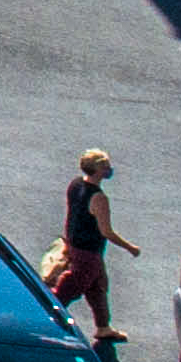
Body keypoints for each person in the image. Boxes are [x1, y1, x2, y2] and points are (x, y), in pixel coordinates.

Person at [52, 148, 138, 346]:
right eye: (106, 166)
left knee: (97, 287)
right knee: (69, 288)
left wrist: (68, 242)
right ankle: (43, 317)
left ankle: (103, 328)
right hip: (88, 252)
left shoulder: (75, 185)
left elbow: (72, 216)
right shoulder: (99, 198)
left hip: (77, 245)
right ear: (98, 170)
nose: (109, 169)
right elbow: (106, 231)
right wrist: (130, 247)